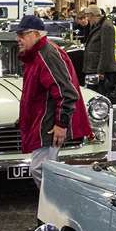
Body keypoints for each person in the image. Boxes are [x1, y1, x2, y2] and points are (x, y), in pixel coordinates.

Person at [15, 16, 90, 185]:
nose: (18, 39)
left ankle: (59, 208)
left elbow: (67, 92)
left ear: (35, 34)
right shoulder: (36, 55)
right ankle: (54, 208)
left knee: (42, 170)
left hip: (49, 125)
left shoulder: (46, 55)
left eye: (22, 34)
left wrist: (61, 124)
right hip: (43, 122)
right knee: (44, 170)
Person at [81, 6, 116, 92]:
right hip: (94, 68)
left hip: (99, 70)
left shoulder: (106, 26)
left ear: (92, 15)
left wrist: (101, 71)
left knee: (99, 96)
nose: (87, 19)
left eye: (87, 16)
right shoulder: (97, 26)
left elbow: (106, 51)